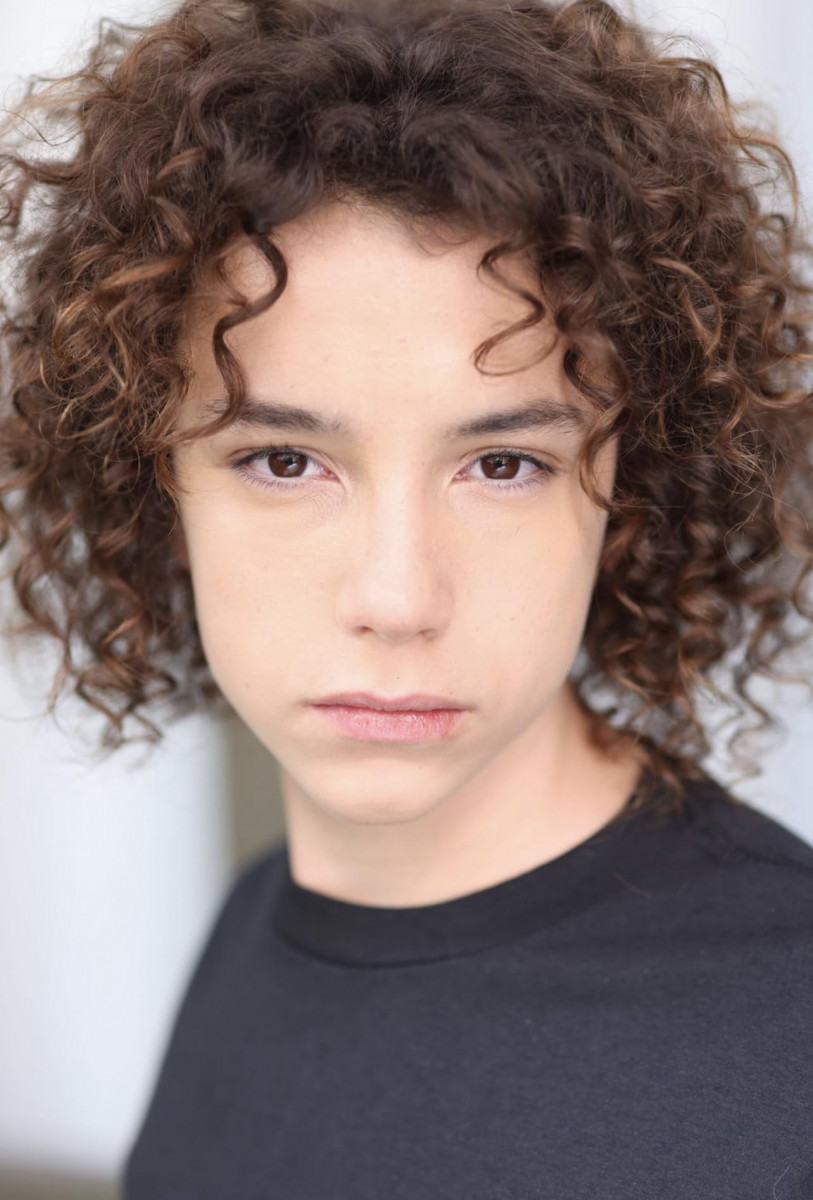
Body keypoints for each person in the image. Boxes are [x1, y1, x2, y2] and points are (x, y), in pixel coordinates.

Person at [1, 0, 812, 1194]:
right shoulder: (255, 932)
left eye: (504, 464)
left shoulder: (786, 1039)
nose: (396, 596)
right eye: (285, 461)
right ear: (152, 484)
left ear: (634, 489)